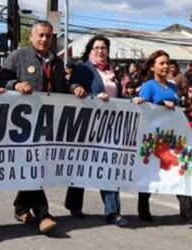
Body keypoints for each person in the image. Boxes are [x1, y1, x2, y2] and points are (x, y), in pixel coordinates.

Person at [0, 20, 67, 234]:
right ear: (31, 37)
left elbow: (62, 88)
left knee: (36, 164)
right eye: (41, 35)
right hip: (21, 123)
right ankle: (43, 214)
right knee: (32, 163)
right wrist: (16, 85)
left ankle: (20, 206)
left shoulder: (56, 62)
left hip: (47, 122)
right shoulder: (18, 56)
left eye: (48, 36)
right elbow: (2, 77)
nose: (45, 39)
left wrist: (76, 88)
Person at [133, 50, 192, 224]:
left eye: (167, 63)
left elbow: (176, 111)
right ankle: (143, 210)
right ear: (152, 66)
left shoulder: (172, 86)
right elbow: (143, 111)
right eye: (161, 63)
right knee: (150, 173)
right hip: (153, 140)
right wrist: (160, 104)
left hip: (172, 139)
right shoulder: (148, 86)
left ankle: (188, 212)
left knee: (181, 171)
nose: (166, 66)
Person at [64, 35, 128, 226]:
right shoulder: (84, 68)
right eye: (96, 47)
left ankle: (113, 212)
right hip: (88, 123)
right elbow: (73, 88)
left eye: (103, 48)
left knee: (109, 166)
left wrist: (131, 101)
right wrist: (91, 95)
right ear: (90, 50)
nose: (100, 51)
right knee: (83, 165)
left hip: (110, 125)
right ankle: (74, 204)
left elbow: (116, 95)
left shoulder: (111, 71)